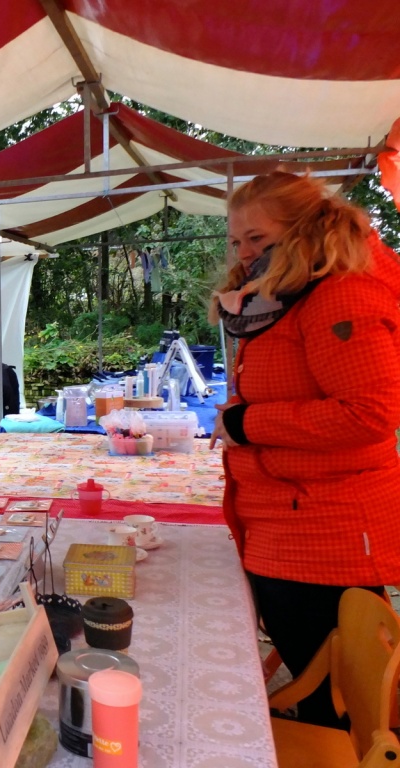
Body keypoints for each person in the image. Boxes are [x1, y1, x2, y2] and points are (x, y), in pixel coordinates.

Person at [208, 171, 400, 727]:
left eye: (258, 239)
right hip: (287, 518)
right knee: (319, 671)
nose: (245, 253)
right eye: (237, 241)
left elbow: (370, 413)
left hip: (325, 533)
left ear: (304, 230)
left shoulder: (340, 294)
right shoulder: (293, 293)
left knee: (341, 696)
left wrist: (247, 422)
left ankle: (331, 745)